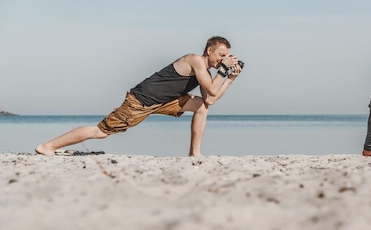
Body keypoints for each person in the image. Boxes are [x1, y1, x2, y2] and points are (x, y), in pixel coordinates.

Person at [36, 36, 243, 157]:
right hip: (141, 101)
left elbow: (211, 99)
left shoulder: (206, 74)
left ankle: (194, 154)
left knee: (202, 107)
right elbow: (214, 89)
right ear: (210, 51)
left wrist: (230, 78)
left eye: (226, 57)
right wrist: (224, 71)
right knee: (101, 131)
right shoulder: (195, 60)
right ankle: (47, 147)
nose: (222, 59)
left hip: (166, 102)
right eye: (221, 55)